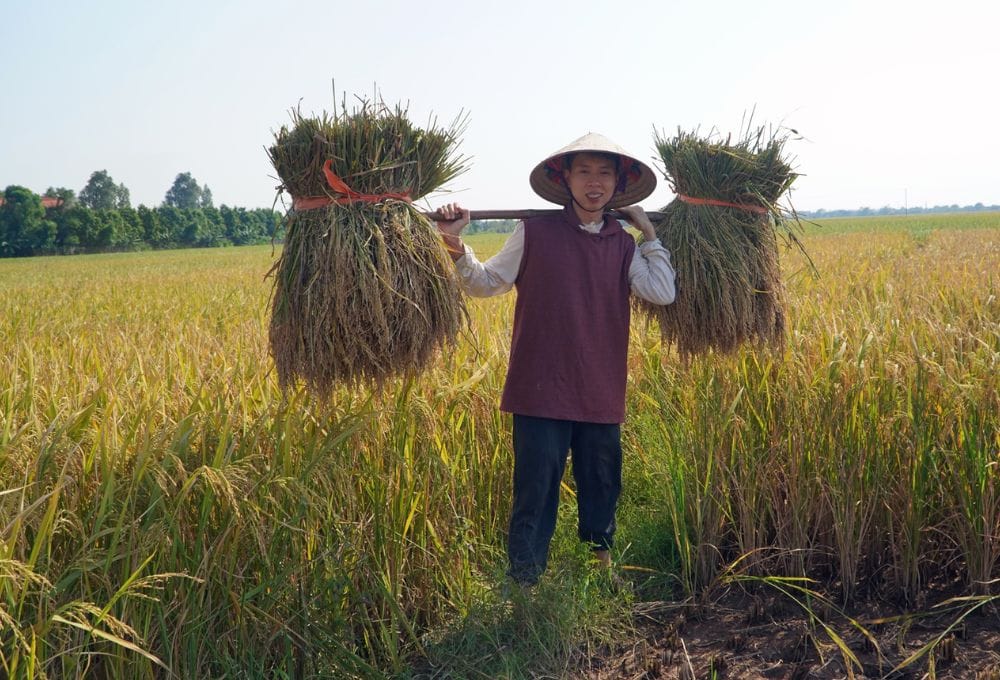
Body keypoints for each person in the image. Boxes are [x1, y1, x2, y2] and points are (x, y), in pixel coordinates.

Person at [435, 132, 676, 586]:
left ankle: (600, 574)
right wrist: (453, 243)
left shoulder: (623, 245)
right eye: (584, 171)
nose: (594, 182)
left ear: (618, 183)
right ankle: (524, 584)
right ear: (564, 178)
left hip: (600, 387)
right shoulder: (534, 232)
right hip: (539, 388)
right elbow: (486, 283)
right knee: (535, 490)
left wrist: (647, 233)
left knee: (602, 482)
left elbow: (662, 292)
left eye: (604, 173)